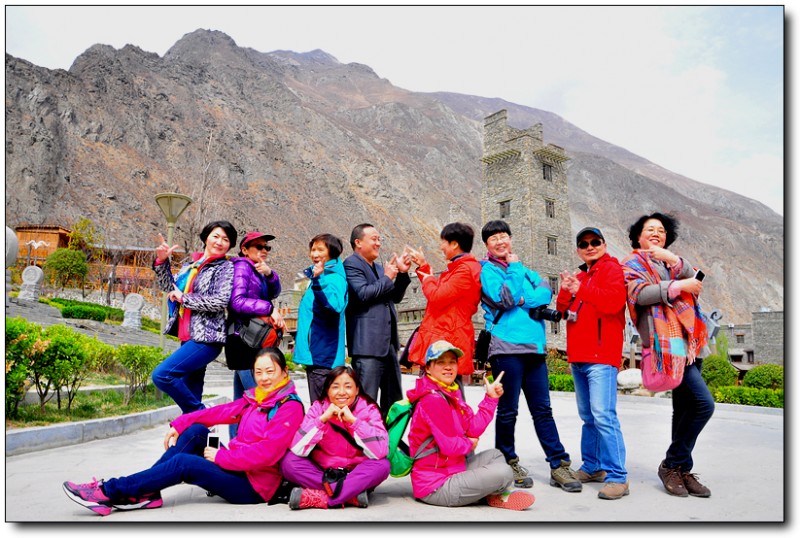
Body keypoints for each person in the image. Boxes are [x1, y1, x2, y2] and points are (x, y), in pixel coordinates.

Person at [62, 348, 304, 516]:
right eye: (258, 372)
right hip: (238, 467)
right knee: (196, 431)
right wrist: (181, 422)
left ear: (284, 372)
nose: (263, 378)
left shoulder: (288, 407)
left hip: (255, 486)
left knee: (184, 464)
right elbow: (220, 412)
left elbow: (268, 453)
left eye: (270, 371)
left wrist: (222, 457)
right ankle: (146, 491)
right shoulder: (257, 398)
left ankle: (108, 491)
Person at [478, 220, 581, 492]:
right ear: (486, 245)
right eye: (493, 239)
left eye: (504, 236)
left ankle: (559, 464)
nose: (500, 242)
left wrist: (525, 298)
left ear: (510, 239)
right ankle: (506, 462)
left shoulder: (523, 269)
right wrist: (516, 276)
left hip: (535, 348)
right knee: (508, 410)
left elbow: (545, 291)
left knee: (543, 410)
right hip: (506, 349)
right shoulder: (488, 271)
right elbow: (505, 299)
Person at [622, 212, 713, 498]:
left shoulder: (672, 262)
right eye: (650, 229)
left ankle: (681, 469)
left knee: (684, 408)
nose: (656, 233)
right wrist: (678, 286)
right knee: (704, 405)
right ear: (638, 236)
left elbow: (698, 280)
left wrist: (673, 260)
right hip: (667, 343)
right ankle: (672, 464)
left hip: (689, 341)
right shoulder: (632, 263)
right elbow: (639, 294)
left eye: (661, 230)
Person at [407, 340, 534, 510]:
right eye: (441, 362)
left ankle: (492, 493)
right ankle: (496, 494)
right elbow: (450, 447)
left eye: (452, 362)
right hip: (436, 486)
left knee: (495, 455)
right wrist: (469, 444)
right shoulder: (433, 399)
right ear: (428, 368)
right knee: (504, 472)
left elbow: (472, 428)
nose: (448, 367)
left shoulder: (450, 393)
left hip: (452, 469)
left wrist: (490, 399)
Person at [556, 227, 629, 500]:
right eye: (584, 244)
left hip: (601, 356)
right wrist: (566, 290)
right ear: (578, 250)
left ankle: (618, 476)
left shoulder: (612, 269)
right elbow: (562, 311)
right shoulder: (580, 276)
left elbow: (613, 303)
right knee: (588, 417)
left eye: (595, 242)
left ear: (604, 245)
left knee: (604, 416)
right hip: (579, 356)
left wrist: (581, 288)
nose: (590, 247)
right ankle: (593, 466)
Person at [151, 220, 237, 413]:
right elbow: (169, 288)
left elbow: (220, 301)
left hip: (207, 339)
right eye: (216, 236)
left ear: (230, 245)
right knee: (191, 396)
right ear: (206, 238)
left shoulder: (225, 268)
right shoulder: (190, 266)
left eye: (225, 239)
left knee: (162, 375)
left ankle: (204, 415)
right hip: (188, 337)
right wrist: (162, 262)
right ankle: (198, 428)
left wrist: (185, 298)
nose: (219, 242)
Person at [280, 365, 390, 509]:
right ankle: (350, 495)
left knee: (383, 465)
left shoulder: (369, 409)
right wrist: (322, 419)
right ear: (327, 390)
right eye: (335, 387)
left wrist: (354, 422)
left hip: (356, 473)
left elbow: (381, 450)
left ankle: (320, 498)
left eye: (348, 387)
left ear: (357, 390)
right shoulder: (318, 408)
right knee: (288, 462)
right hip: (324, 472)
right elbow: (297, 448)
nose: (342, 392)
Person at [405, 222, 482, 397]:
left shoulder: (464, 271)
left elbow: (437, 296)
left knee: (445, 393)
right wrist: (423, 267)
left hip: (447, 340)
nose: (441, 247)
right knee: (439, 392)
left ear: (454, 244)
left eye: (443, 242)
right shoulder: (460, 268)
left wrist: (427, 278)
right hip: (445, 336)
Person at [343, 223, 411, 416]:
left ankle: (388, 435)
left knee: (394, 401)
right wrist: (387, 278)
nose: (378, 243)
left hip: (388, 346)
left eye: (379, 239)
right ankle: (363, 436)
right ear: (358, 242)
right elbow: (363, 294)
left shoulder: (381, 269)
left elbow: (394, 297)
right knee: (366, 401)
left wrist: (402, 274)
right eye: (374, 239)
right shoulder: (351, 264)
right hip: (367, 347)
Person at [226, 230, 285, 438]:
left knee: (240, 402)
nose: (264, 250)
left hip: (248, 340)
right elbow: (237, 302)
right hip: (243, 341)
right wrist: (269, 309)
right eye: (259, 247)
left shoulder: (256, 268)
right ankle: (257, 443)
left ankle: (235, 444)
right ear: (244, 249)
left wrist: (269, 274)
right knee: (260, 399)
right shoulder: (242, 266)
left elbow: (275, 292)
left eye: (266, 247)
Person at [293, 234, 349, 401]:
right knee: (322, 407)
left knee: (321, 408)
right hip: (318, 355)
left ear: (332, 252)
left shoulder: (333, 278)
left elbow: (333, 306)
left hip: (323, 355)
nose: (315, 254)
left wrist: (319, 281)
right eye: (313, 249)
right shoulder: (320, 276)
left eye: (320, 250)